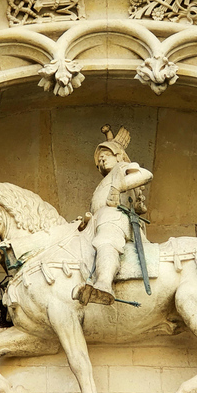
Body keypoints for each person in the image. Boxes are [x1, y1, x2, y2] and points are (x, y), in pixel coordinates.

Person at [73, 125, 153, 306]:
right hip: (99, 222)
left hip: (116, 220)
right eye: (99, 159)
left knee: (106, 239)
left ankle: (104, 285)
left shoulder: (122, 168)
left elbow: (146, 174)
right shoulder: (102, 183)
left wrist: (119, 187)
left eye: (106, 155)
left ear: (118, 156)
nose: (101, 159)